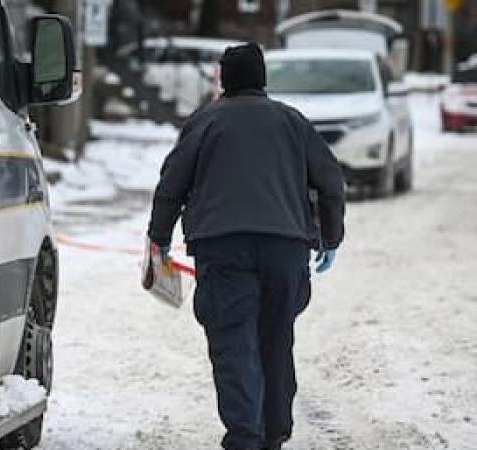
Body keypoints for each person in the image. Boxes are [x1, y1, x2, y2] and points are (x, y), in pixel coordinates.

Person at [147, 43, 345, 450]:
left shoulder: (205, 122)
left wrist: (159, 238)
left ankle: (245, 438)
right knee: (276, 337)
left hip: (223, 249)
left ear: (224, 79)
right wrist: (330, 237)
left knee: (234, 341)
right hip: (286, 250)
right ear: (262, 77)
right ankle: (273, 432)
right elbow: (330, 181)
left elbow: (171, 185)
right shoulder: (292, 122)